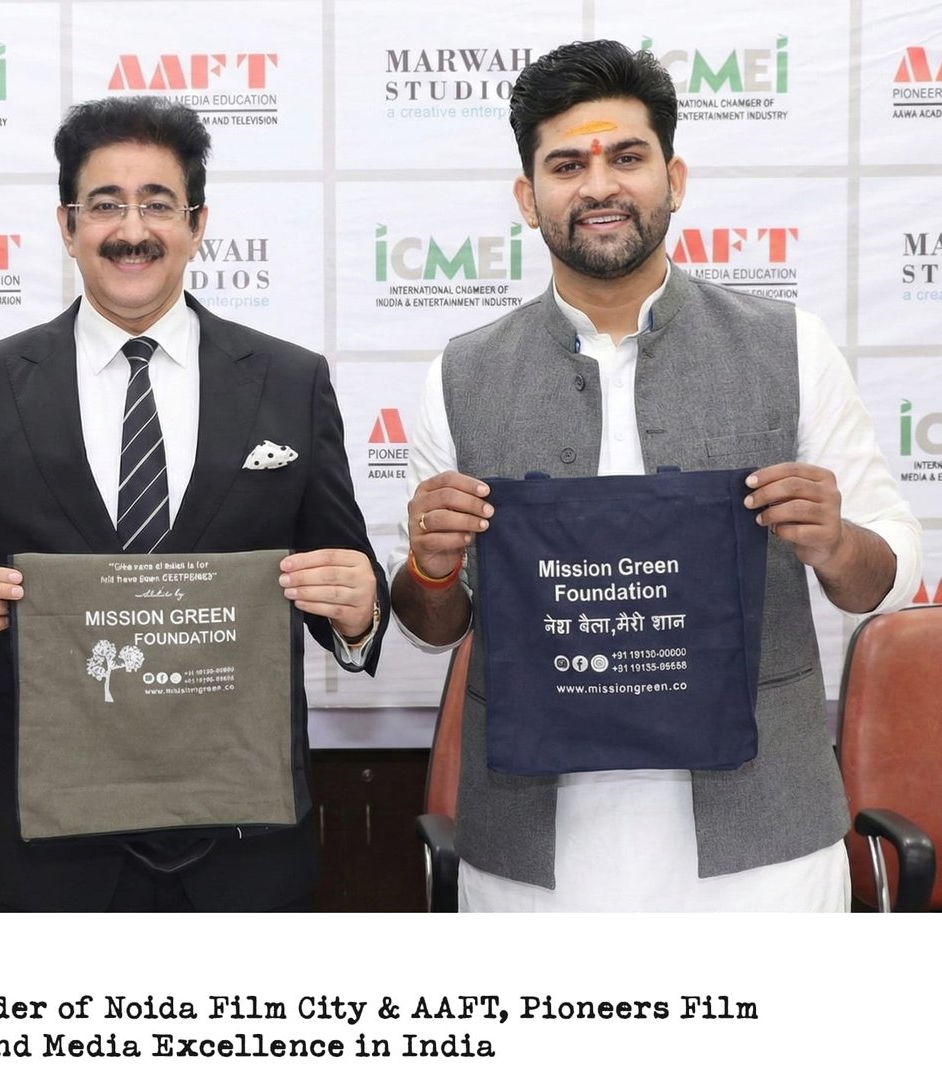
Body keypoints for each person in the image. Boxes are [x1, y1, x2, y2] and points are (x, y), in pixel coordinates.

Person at [391, 40, 922, 911]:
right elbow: (430, 624)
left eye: (627, 158)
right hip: (536, 860)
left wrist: (834, 542)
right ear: (527, 197)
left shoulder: (790, 347)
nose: (599, 186)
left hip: (764, 854)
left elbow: (884, 579)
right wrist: (431, 567)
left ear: (673, 179)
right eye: (568, 165)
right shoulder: (461, 375)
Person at [0, 95, 387, 911]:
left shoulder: (291, 381)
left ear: (197, 224)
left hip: (244, 845)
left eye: (158, 204)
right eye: (105, 205)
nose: (132, 230)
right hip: (51, 853)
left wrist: (360, 610)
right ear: (67, 225)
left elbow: (346, 566)